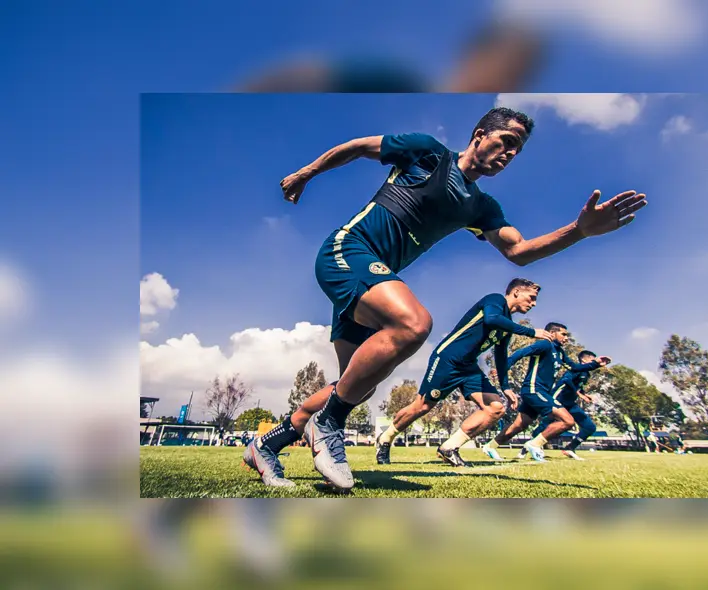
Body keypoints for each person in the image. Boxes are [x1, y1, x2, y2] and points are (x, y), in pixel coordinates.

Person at [243, 106, 647, 491]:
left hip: (376, 280)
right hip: (349, 251)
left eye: (517, 150)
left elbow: (518, 251)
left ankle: (268, 444)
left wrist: (579, 230)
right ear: (479, 135)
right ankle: (328, 424)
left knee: (358, 384)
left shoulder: (482, 206)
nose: (509, 154)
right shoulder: (428, 152)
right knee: (414, 324)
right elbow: (358, 147)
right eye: (506, 141)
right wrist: (307, 173)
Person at [375, 278, 549, 467]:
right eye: (531, 298)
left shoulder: (507, 325)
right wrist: (531, 332)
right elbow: (492, 318)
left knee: (495, 408)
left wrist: (505, 387)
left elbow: (500, 356)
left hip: (468, 367)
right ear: (516, 292)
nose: (534, 303)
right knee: (422, 407)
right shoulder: (495, 300)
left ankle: (449, 448)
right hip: (448, 358)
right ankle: (385, 438)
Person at [482, 323, 600, 462]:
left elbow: (574, 367)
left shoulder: (560, 352)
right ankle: (534, 444)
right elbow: (521, 352)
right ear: (552, 333)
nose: (566, 338)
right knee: (567, 421)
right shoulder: (545, 345)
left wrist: (596, 363)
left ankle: (490, 446)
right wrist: (503, 367)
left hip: (540, 392)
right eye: (563, 334)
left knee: (519, 425)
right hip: (533, 389)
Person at [520, 350, 609, 461]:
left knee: (589, 427)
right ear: (584, 359)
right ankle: (526, 448)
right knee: (546, 425)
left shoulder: (586, 373)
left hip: (570, 404)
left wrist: (585, 394)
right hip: (558, 401)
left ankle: (570, 448)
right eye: (592, 359)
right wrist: (579, 394)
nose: (594, 362)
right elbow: (567, 380)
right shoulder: (575, 369)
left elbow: (578, 387)